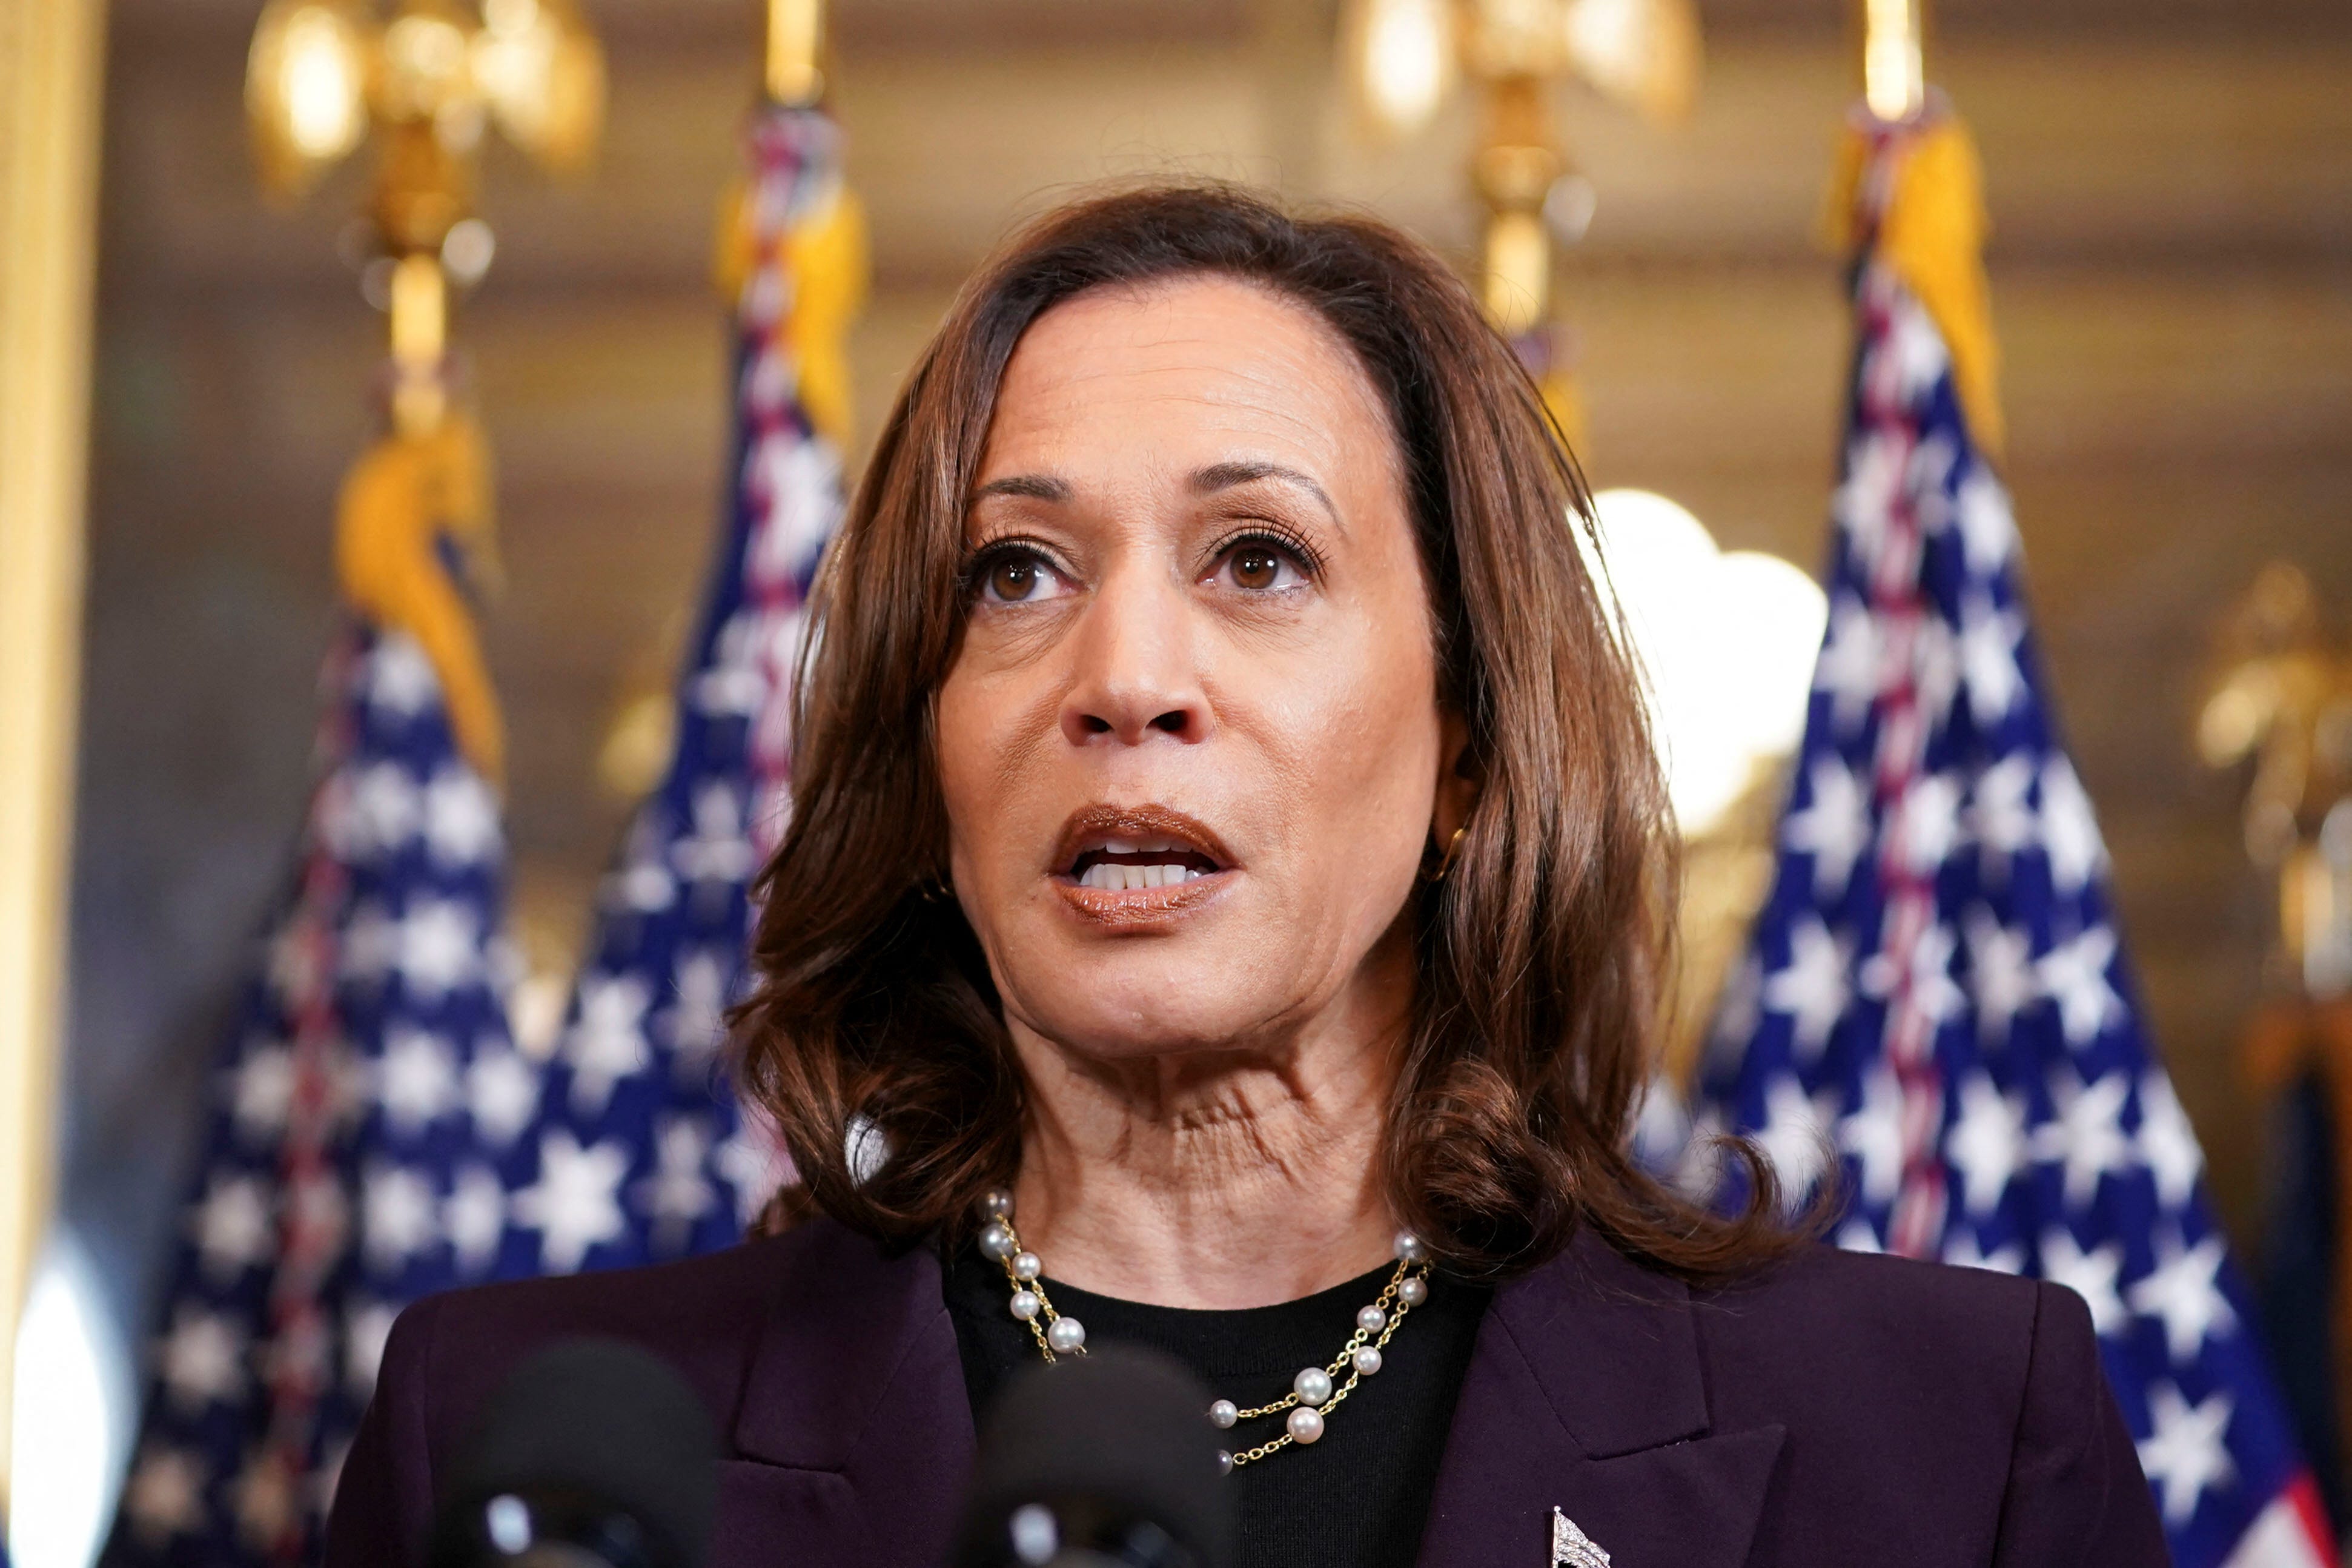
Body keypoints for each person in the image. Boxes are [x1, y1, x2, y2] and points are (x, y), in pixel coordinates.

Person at [326, 184, 2164, 1568]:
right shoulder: (496, 1441)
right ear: (925, 751)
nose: (1123, 679)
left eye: (1259, 561)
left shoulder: (1942, 1446)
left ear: (1466, 746)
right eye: (1014, 576)